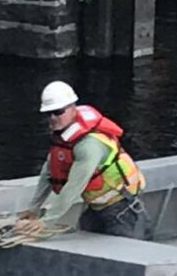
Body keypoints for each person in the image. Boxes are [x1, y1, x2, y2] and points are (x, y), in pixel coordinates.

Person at [14, 81, 149, 239]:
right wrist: (33, 209)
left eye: (58, 112)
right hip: (95, 207)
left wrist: (45, 223)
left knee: (125, 255)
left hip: (122, 209)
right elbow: (49, 171)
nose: (52, 118)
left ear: (72, 108)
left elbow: (74, 186)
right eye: (48, 113)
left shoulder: (89, 145)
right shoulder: (63, 137)